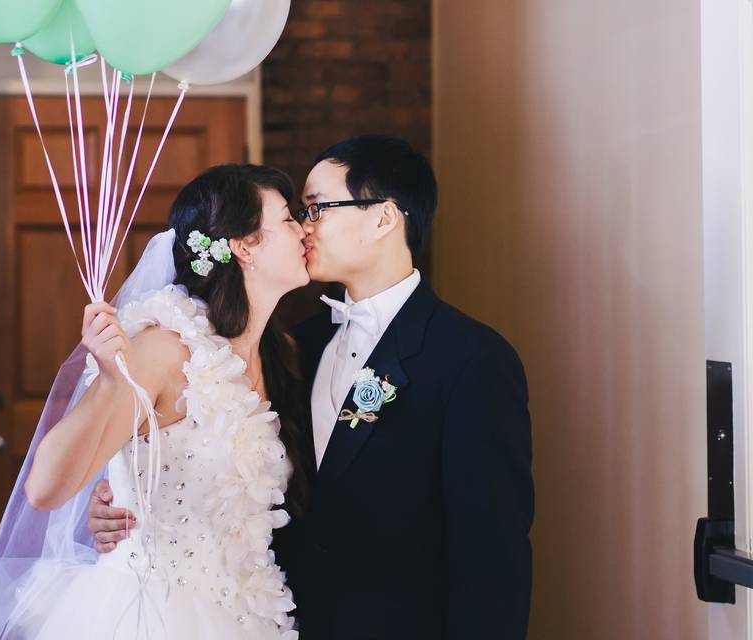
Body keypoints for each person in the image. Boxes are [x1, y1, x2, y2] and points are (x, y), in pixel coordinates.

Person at [89, 135, 535, 639]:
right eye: (302, 211)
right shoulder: (291, 347)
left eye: (317, 207)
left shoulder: (471, 359)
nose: (304, 226)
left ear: (384, 218)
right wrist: (128, 499)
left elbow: (493, 557)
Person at [0, 164, 312, 639]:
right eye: (289, 218)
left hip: (244, 617)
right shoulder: (164, 350)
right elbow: (44, 489)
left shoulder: (282, 355)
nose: (304, 229)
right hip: (150, 614)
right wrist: (112, 382)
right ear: (244, 245)